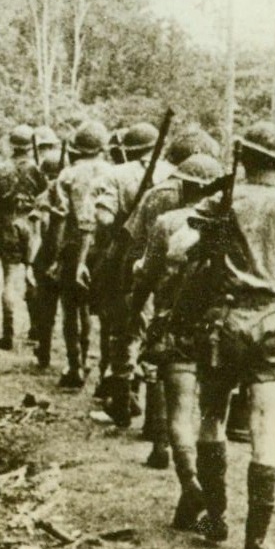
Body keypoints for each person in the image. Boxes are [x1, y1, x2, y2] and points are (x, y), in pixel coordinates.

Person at [189, 121, 275, 549]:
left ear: (243, 158)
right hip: (273, 325)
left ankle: (215, 517)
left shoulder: (222, 202)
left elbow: (193, 254)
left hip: (223, 321)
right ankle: (257, 541)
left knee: (211, 416)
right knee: (266, 431)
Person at [128, 154, 225, 529]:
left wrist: (135, 311)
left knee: (180, 415)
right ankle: (208, 503)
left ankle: (191, 484)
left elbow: (147, 276)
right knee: (213, 419)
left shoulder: (168, 222)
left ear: (184, 186)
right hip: (217, 330)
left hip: (177, 327)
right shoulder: (228, 225)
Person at [116, 127, 220, 466]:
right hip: (215, 312)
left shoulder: (160, 204)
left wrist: (134, 299)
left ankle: (159, 436)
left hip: (167, 300)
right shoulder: (228, 217)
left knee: (162, 367)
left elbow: (135, 249)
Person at [91, 122, 172, 420]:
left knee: (125, 328)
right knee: (158, 328)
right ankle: (155, 418)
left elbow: (103, 218)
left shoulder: (116, 175)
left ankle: (123, 399)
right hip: (170, 259)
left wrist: (125, 225)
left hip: (129, 258)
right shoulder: (174, 173)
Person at [46, 120, 112, 388]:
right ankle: (105, 370)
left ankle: (75, 365)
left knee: (71, 308)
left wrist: (55, 257)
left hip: (73, 247)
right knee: (104, 313)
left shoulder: (67, 175)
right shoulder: (112, 172)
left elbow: (60, 219)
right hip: (104, 249)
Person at [0, 124, 47, 350]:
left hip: (8, 227)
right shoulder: (38, 170)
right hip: (32, 226)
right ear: (31, 146)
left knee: (9, 281)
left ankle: (8, 334)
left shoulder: (0, 170)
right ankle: (36, 329)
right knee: (32, 276)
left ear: (12, 146)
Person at [27, 126, 64, 363]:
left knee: (46, 308)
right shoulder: (75, 194)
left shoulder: (43, 198)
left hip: (48, 255)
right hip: (69, 255)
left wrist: (31, 263)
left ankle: (45, 350)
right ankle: (77, 359)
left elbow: (37, 232)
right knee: (75, 310)